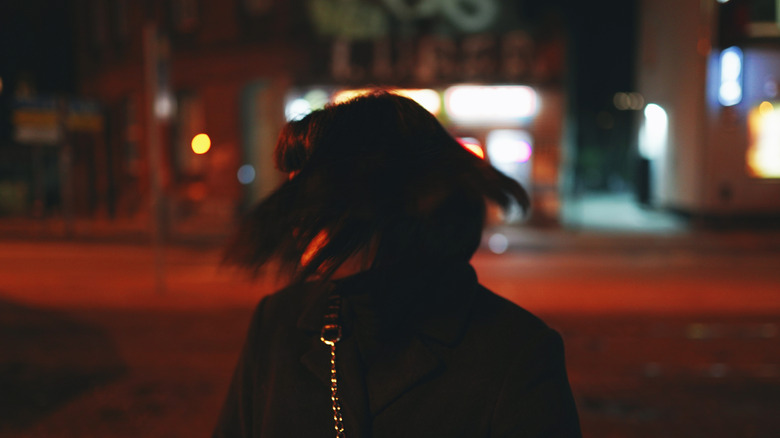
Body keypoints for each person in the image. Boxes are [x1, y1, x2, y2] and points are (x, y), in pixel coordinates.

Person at [213, 91, 581, 437]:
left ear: (391, 202)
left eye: (318, 193)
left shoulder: (516, 353)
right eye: (294, 187)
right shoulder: (278, 324)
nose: (297, 213)